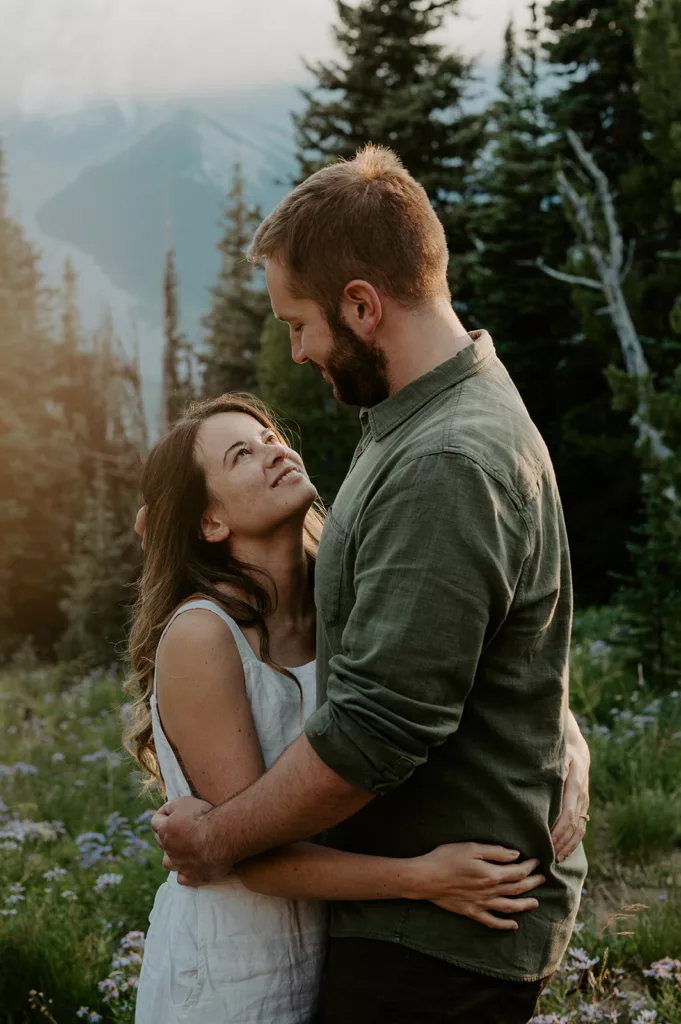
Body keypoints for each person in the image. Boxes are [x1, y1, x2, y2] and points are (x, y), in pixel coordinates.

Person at [150, 145, 590, 1024]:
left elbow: (377, 728)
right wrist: (561, 741)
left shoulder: (444, 459)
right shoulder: (417, 417)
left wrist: (214, 837)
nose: (298, 349)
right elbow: (474, 627)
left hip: (438, 940)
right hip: (377, 922)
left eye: (299, 322)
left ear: (363, 305)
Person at [127, 393, 554, 1024]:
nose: (274, 452)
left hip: (330, 945)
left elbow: (470, 659)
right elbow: (250, 855)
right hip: (229, 967)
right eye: (242, 454)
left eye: (270, 436)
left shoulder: (343, 600)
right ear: (211, 523)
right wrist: (428, 879)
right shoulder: (203, 635)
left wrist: (568, 739)